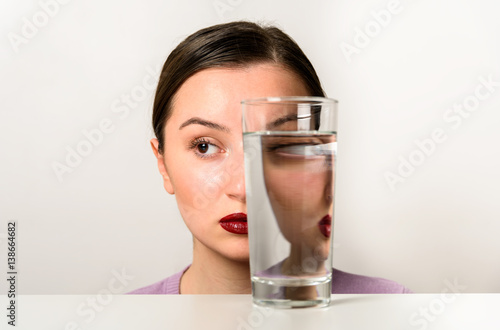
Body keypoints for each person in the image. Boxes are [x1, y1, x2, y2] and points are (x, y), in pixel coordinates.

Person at [129, 21, 410, 294]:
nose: (243, 188)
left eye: (281, 144)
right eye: (205, 147)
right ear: (163, 164)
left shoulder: (394, 311)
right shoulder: (122, 322)